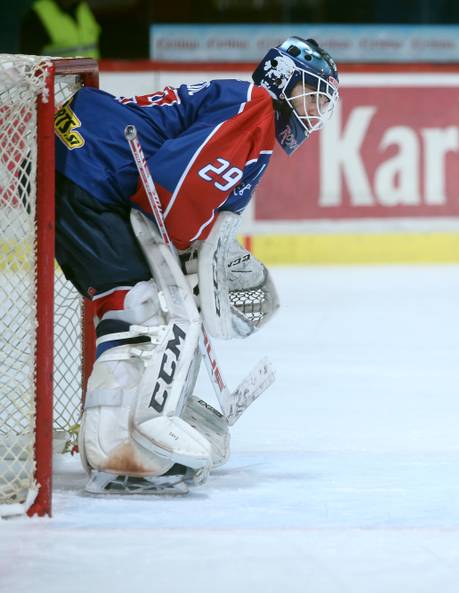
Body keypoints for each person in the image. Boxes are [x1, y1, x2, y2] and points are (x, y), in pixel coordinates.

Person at [53, 37, 339, 494]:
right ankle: (114, 448)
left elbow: (199, 215)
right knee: (137, 308)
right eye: (313, 93)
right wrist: (184, 261)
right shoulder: (255, 107)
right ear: (282, 78)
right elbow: (171, 189)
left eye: (323, 101)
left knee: (143, 304)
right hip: (90, 167)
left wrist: (192, 261)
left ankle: (132, 429)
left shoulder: (256, 128)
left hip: (88, 164)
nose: (316, 109)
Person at [20, 0, 101, 58]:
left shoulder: (83, 8)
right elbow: (29, 60)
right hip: (57, 79)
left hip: (92, 75)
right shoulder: (38, 14)